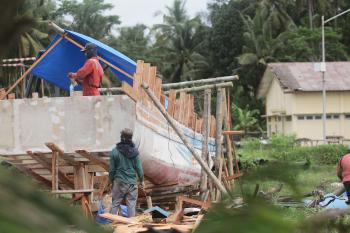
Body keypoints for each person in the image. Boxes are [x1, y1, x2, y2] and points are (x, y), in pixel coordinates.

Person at [109, 128, 144, 217]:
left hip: (119, 182)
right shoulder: (135, 152)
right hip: (132, 183)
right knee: (131, 205)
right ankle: (131, 225)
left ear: (121, 137)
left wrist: (110, 181)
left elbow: (112, 170)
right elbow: (139, 168)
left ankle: (111, 224)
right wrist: (142, 180)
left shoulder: (114, 151)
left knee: (115, 203)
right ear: (131, 138)